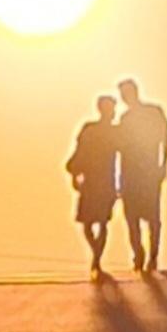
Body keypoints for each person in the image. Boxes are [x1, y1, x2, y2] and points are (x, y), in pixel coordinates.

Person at [117, 78, 167, 273]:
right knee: (132, 217)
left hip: (148, 171)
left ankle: (153, 256)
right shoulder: (125, 118)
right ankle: (138, 254)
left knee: (153, 217)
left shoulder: (154, 112)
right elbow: (120, 150)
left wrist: (164, 164)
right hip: (130, 172)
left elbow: (165, 139)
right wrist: (118, 177)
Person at [66, 93, 119, 277]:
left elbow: (127, 157)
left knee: (103, 222)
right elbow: (79, 152)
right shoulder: (89, 129)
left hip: (106, 182)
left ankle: (97, 259)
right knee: (87, 223)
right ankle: (96, 253)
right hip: (91, 180)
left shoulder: (115, 132)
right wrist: (74, 174)